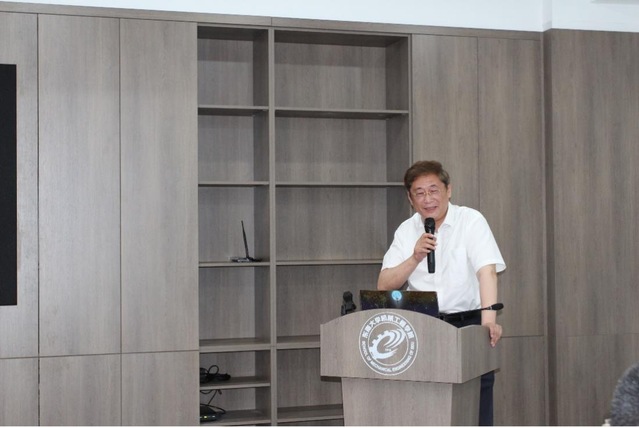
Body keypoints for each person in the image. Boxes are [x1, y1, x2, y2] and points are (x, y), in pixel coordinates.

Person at [377, 160, 506, 426]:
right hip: (423, 328)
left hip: (468, 324)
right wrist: (414, 257)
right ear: (410, 199)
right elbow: (384, 285)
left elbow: (487, 272)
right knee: (425, 405)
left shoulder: (471, 221)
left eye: (433, 190)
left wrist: (488, 323)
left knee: (475, 406)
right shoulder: (406, 230)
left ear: (449, 190)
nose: (428, 199)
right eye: (420, 193)